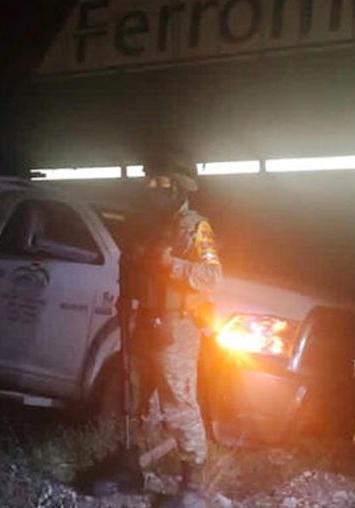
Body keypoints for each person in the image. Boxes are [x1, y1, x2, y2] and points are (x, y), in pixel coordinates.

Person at [132, 154, 222, 508]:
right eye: (151, 182)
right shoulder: (155, 224)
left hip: (179, 326)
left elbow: (212, 276)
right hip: (149, 322)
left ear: (181, 187)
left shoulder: (195, 227)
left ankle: (192, 486)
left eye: (163, 182)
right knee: (137, 395)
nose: (154, 189)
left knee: (179, 402)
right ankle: (132, 464)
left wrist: (175, 265)